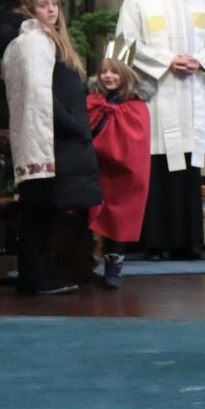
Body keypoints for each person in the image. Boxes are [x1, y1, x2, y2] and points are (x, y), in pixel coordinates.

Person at [115, 0, 205, 260]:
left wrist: (200, 61)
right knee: (158, 168)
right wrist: (167, 61)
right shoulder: (138, 0)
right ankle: (155, 244)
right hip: (157, 97)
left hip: (191, 97)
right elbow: (126, 43)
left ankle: (188, 243)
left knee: (187, 169)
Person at [3, 0, 101, 295]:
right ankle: (36, 278)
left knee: (43, 211)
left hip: (49, 136)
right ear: (31, 10)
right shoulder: (33, 42)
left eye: (55, 4)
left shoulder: (42, 41)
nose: (52, 10)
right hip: (47, 137)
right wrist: (72, 123)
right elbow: (38, 91)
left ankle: (41, 275)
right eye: (44, 5)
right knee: (37, 211)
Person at [86, 39, 152, 289]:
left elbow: (134, 142)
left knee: (119, 216)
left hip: (123, 173)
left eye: (114, 71)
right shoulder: (93, 101)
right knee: (91, 211)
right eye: (104, 71)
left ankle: (114, 265)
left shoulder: (136, 107)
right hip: (96, 170)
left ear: (126, 75)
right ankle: (84, 260)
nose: (108, 76)